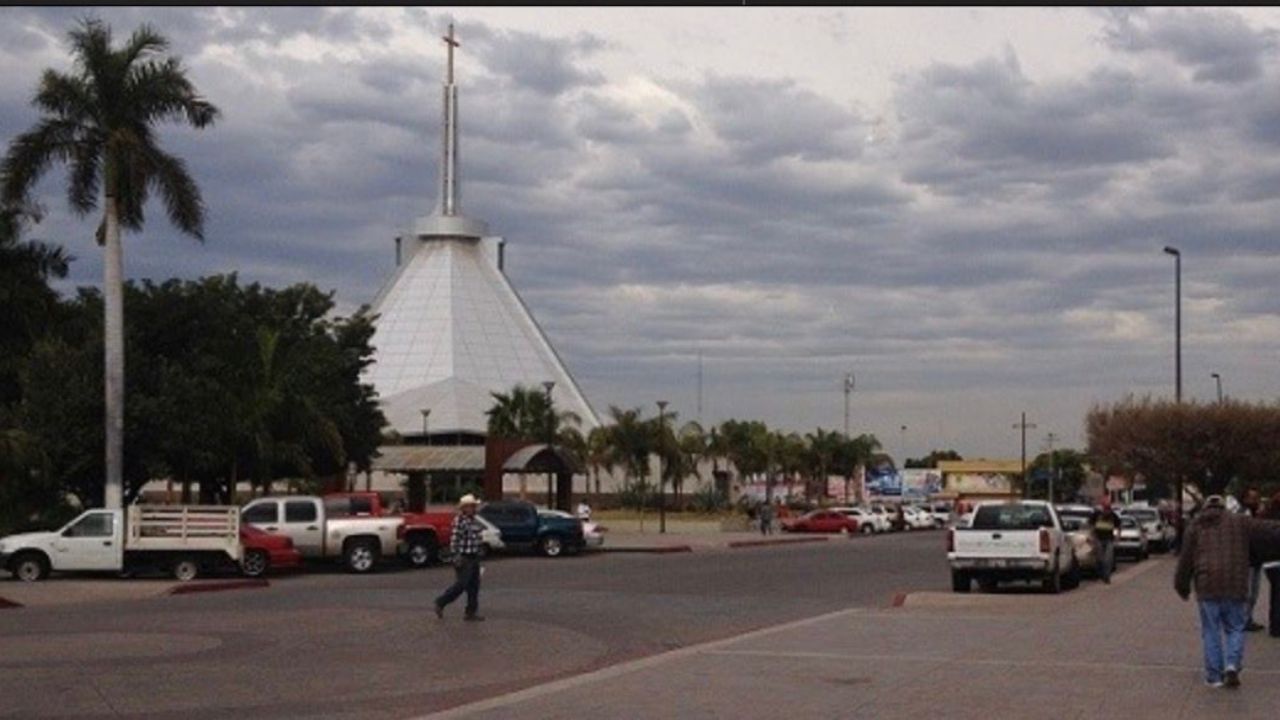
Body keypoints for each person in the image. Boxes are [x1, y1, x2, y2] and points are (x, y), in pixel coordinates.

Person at [1175, 495, 1254, 688]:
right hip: (1235, 583)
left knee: (1211, 630)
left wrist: (1182, 585)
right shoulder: (1241, 523)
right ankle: (1232, 664)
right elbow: (1265, 534)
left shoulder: (1196, 525)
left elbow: (1186, 558)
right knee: (1235, 627)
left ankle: (1214, 676)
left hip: (1207, 583)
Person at [434, 494, 486, 622]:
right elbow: (454, 541)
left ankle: (471, 612)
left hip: (474, 556)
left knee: (474, 587)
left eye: (474, 506)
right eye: (471, 506)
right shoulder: (460, 521)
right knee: (461, 584)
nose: (473, 509)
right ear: (464, 508)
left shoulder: (474, 520)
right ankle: (441, 601)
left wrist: (479, 550)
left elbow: (478, 537)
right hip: (464, 557)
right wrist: (456, 557)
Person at [1239, 489, 1265, 632]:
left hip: (1256, 558)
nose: (1255, 501)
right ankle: (1242, 619)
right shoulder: (1243, 514)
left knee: (1254, 592)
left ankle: (1248, 618)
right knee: (1247, 592)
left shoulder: (1258, 514)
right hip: (1246, 559)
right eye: (1252, 498)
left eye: (1257, 498)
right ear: (1245, 499)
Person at [1092, 499, 1120, 585]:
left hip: (1109, 539)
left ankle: (1106, 576)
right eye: (1105, 508)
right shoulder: (1097, 515)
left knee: (1108, 559)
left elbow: (1118, 526)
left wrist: (1117, 536)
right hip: (1098, 539)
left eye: (1108, 509)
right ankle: (1100, 572)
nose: (1107, 511)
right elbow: (1091, 525)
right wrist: (1092, 536)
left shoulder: (1113, 516)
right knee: (1100, 558)